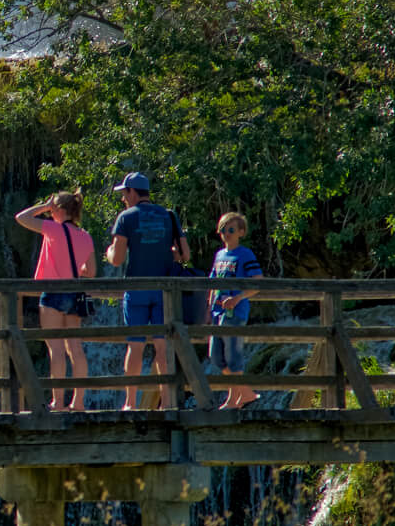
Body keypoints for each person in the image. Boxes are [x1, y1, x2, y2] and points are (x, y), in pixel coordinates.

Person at [105, 171, 188, 411]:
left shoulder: (126, 217)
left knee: (136, 346)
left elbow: (118, 259)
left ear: (132, 192)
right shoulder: (168, 215)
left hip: (137, 289)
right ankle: (168, 402)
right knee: (163, 347)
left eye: (124, 194)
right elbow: (185, 255)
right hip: (164, 290)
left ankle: (130, 402)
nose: (123, 199)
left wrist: (109, 252)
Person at [14, 191, 95, 412]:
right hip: (75, 293)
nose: (50, 214)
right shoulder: (85, 235)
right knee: (75, 349)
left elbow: (21, 218)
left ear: (59, 209)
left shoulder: (53, 229)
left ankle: (58, 402)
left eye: (52, 210)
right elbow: (91, 271)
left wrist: (43, 205)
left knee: (56, 350)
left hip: (53, 292)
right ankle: (78, 403)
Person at [208, 211, 265, 409]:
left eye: (231, 229)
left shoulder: (245, 254)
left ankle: (233, 400)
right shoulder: (219, 255)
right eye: (223, 230)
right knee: (216, 358)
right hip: (218, 313)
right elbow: (212, 282)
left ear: (241, 232)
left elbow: (257, 282)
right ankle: (247, 393)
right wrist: (209, 307)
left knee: (233, 357)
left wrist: (238, 298)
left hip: (236, 312)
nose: (226, 233)